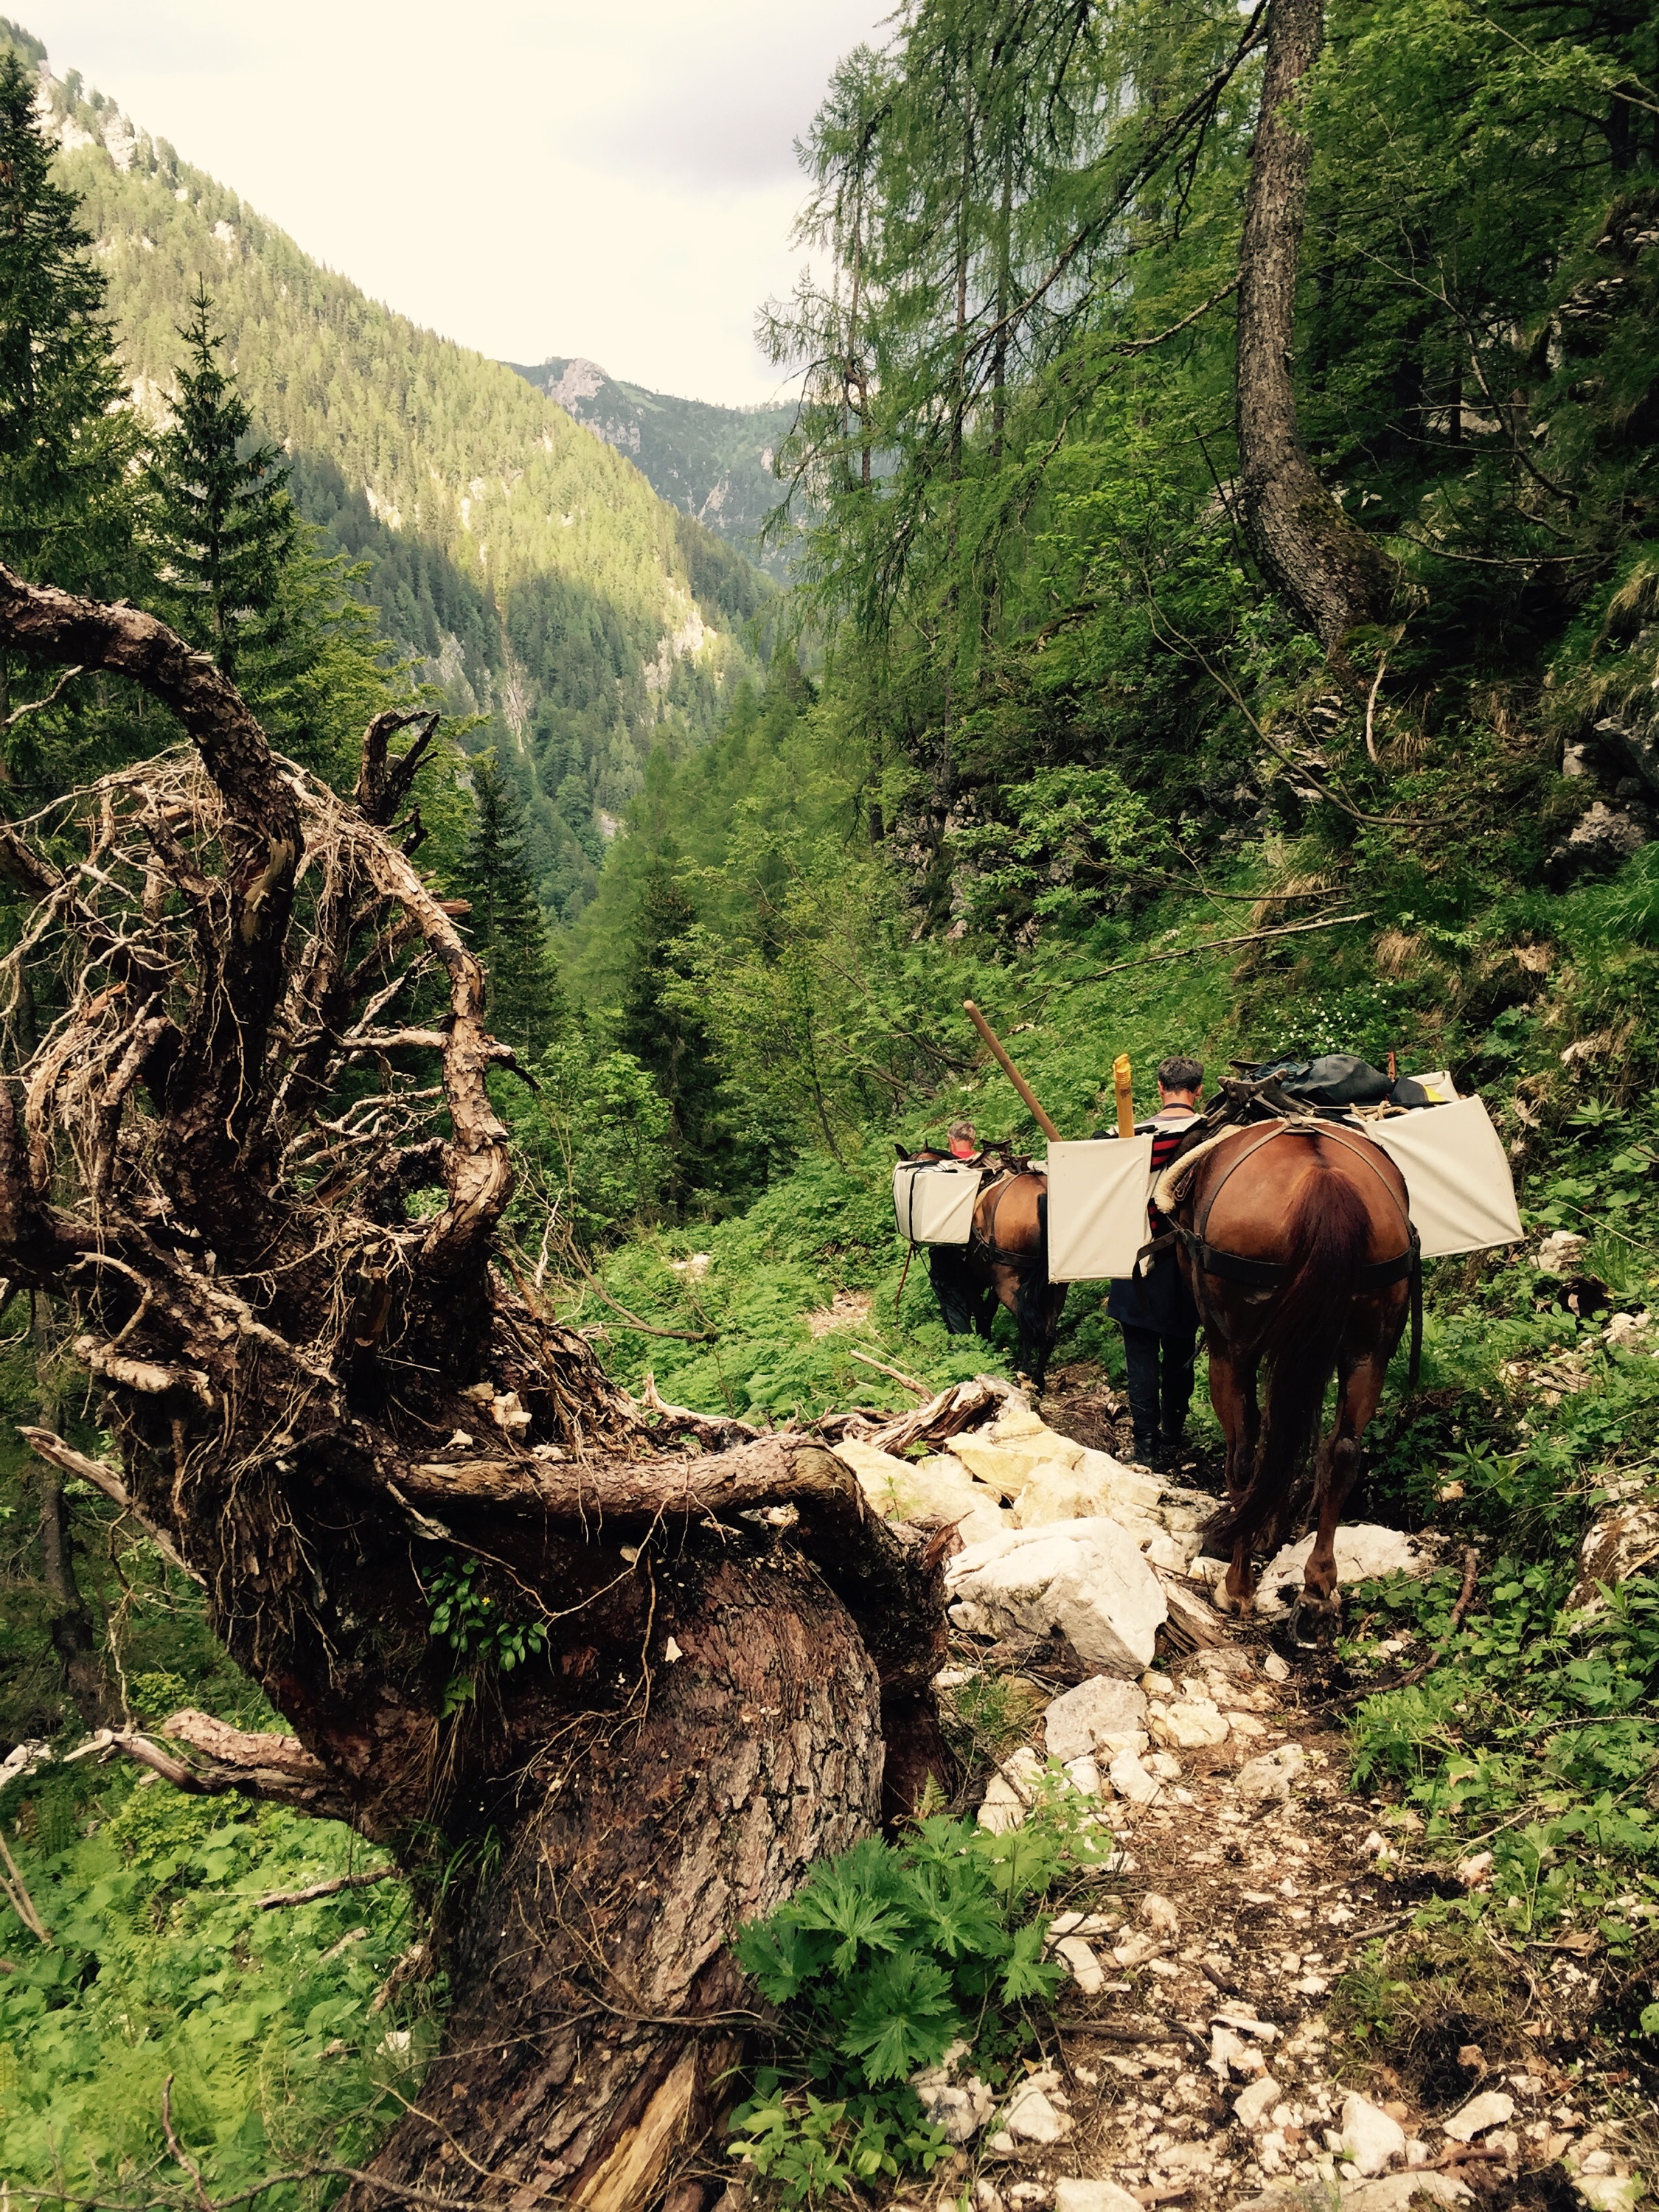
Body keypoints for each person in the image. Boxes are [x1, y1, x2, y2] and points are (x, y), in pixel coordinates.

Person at [1106, 1056, 1204, 1470]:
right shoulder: (1212, 1135)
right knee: (1181, 1347)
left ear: (1161, 1089)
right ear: (1197, 1091)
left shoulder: (1124, 1138)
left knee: (1141, 1354)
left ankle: (1146, 1448)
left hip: (1137, 1257)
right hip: (1190, 1261)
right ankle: (1175, 1433)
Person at [928, 1121, 987, 1335]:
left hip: (952, 1245)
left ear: (951, 1141)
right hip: (987, 1244)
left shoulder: (942, 1167)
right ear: (973, 1140)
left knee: (945, 1284)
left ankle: (962, 1340)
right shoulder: (989, 1162)